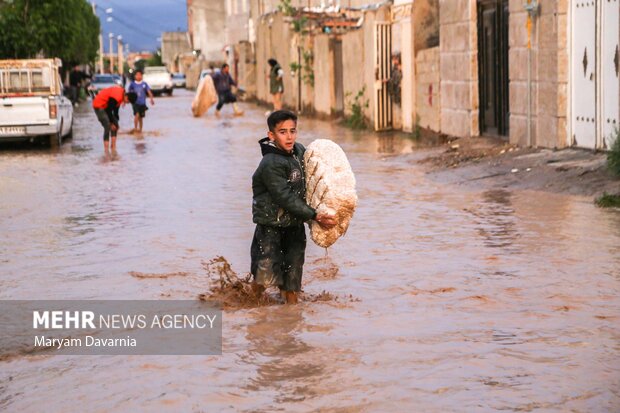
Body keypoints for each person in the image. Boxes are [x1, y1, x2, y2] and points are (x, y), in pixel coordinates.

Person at [250, 110, 336, 304]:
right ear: (271, 135)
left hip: (294, 226)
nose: (289, 137)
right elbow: (285, 197)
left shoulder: (299, 152)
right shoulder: (270, 163)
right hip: (270, 227)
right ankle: (251, 307)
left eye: (292, 131)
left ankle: (291, 317)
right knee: (265, 275)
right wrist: (314, 215)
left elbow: (313, 180)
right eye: (282, 132)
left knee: (293, 276)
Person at [92, 85, 137, 153]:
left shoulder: (121, 96)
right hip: (99, 106)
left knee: (115, 125)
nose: (127, 103)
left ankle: (113, 147)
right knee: (107, 126)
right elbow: (108, 110)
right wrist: (111, 123)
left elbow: (116, 111)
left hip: (105, 107)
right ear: (126, 97)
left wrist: (116, 122)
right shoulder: (117, 96)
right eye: (128, 102)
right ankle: (106, 150)